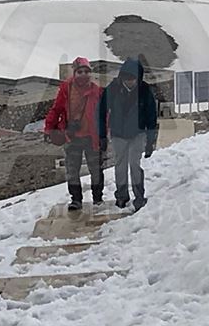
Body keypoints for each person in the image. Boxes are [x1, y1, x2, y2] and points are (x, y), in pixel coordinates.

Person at [98, 58, 158, 211]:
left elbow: (151, 117)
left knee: (134, 165)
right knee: (120, 166)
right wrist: (102, 135)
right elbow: (100, 111)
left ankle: (139, 196)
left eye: (133, 78)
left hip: (138, 134)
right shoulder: (113, 89)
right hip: (118, 134)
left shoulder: (145, 91)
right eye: (127, 78)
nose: (130, 81)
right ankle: (121, 197)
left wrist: (151, 141)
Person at [44, 57, 104, 210]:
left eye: (86, 71)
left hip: (92, 137)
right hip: (72, 136)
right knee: (72, 170)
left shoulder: (97, 91)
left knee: (96, 169)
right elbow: (56, 109)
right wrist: (49, 129)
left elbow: (104, 115)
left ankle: (98, 198)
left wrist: (104, 135)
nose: (83, 74)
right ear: (74, 72)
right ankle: (76, 200)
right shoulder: (66, 89)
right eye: (80, 71)